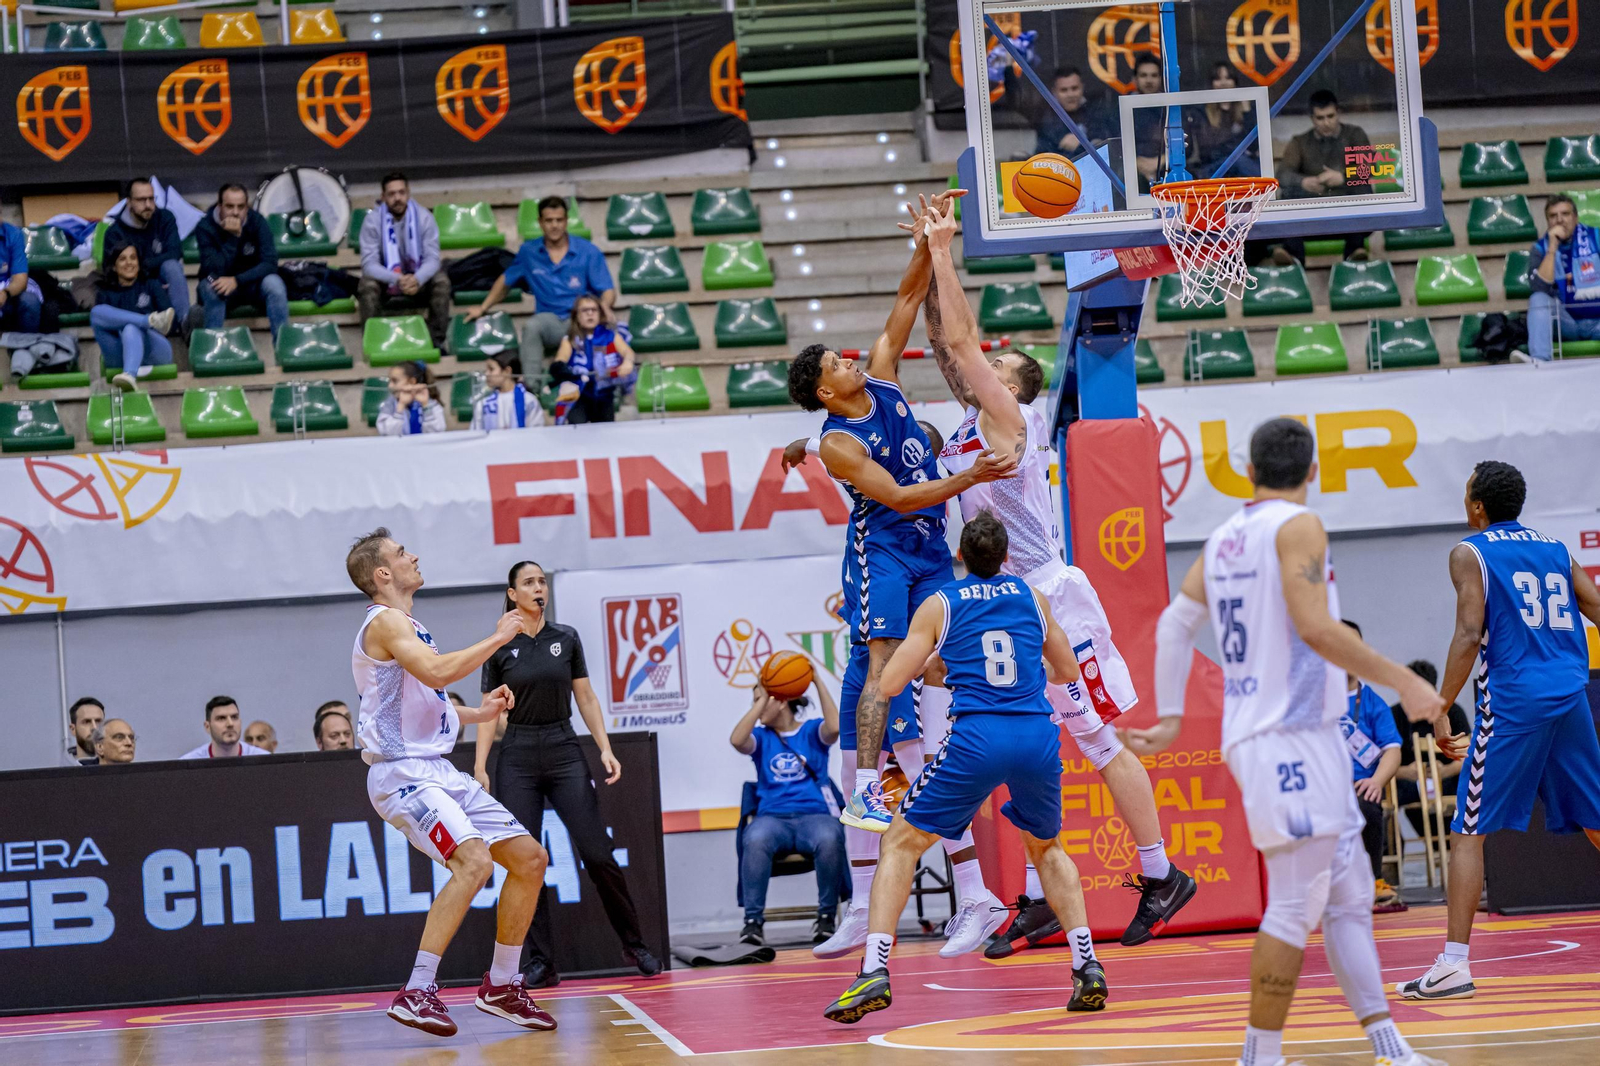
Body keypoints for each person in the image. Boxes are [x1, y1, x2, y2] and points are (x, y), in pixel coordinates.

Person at [918, 195, 1198, 952]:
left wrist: (947, 252)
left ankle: (1160, 871)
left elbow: (965, 344)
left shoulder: (1015, 419)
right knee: (1029, 743)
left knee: (1099, 743)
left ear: (1015, 385)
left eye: (997, 365)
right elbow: (949, 344)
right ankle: (1043, 893)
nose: (981, 364)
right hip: (1003, 603)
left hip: (1049, 599)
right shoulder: (974, 422)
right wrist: (924, 260)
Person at [1132, 417, 1445, 1066]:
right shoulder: (1298, 525)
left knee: (1352, 896)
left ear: (1249, 471)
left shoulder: (1221, 538)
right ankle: (1259, 1056)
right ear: (1313, 471)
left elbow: (1174, 626)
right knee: (1296, 903)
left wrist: (1167, 716)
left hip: (1305, 735)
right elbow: (1317, 629)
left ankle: (1391, 1047)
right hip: (1283, 738)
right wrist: (1403, 684)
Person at [784, 192, 1015, 841]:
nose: (851, 360)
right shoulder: (837, 444)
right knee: (885, 660)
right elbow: (905, 499)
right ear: (827, 392)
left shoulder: (882, 379)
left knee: (945, 654)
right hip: (882, 552)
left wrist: (927, 243)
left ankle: (940, 763)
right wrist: (970, 475)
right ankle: (864, 789)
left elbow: (908, 302)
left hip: (928, 552)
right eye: (837, 365)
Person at [823, 511, 1103, 1023]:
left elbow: (888, 685)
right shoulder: (1031, 599)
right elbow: (1064, 669)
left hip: (977, 736)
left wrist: (942, 660)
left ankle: (873, 973)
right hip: (1036, 736)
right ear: (1004, 556)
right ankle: (1088, 966)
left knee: (900, 842)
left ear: (960, 557)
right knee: (1047, 847)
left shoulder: (940, 603)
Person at [1397, 461, 1600, 1002]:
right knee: (1597, 817)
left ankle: (1454, 965)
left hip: (1515, 703)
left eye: (1466, 495)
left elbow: (1468, 631)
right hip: (1570, 696)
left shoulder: (1472, 553)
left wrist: (1440, 705)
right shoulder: (1556, 548)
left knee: (1467, 829)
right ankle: (1452, 963)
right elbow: (1597, 606)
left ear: (1478, 505)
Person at [343, 529, 554, 1037]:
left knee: (529, 860)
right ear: (382, 574)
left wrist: (479, 713)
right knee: (475, 862)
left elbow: (426, 700)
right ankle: (417, 990)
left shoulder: (410, 625)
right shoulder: (386, 621)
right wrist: (500, 637)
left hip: (436, 770)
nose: (413, 555)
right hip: (402, 776)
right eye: (400, 553)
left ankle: (502, 984)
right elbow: (437, 673)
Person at [475, 561, 661, 988]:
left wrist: (605, 747)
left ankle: (635, 944)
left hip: (563, 748)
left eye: (542, 581)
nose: (539, 588)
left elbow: (587, 697)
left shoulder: (566, 638)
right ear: (512, 594)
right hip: (518, 753)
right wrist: (481, 766)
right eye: (529, 582)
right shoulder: (499, 645)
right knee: (526, 862)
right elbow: (488, 711)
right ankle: (541, 961)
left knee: (597, 852)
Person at [729, 677, 847, 946]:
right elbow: (736, 740)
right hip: (773, 819)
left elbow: (836, 727)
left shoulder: (811, 731)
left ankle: (827, 916)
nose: (755, 705)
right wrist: (762, 701)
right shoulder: (761, 737)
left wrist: (815, 680)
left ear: (781, 702)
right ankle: (753, 922)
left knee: (830, 838)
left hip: (814, 816)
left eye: (760, 699)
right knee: (755, 838)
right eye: (754, 700)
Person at [464, 196, 616, 379]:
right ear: (540, 223)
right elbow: (505, 281)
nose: (554, 225)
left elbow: (607, 290)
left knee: (597, 325)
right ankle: (532, 389)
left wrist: (603, 308)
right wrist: (482, 307)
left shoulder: (588, 251)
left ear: (566, 221)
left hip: (579, 318)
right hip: (549, 320)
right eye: (549, 220)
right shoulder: (529, 252)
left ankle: (602, 386)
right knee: (532, 326)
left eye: (559, 220)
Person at [1337, 620, 1405, 910]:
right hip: (1319, 786)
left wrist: (1376, 781)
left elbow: (1392, 750)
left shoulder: (1373, 702)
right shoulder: (1310, 699)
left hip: (1359, 786)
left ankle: (1374, 881)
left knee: (1367, 802)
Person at [1273, 90, 1372, 259]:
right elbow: (1282, 174)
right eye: (1320, 118)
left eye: (1330, 116)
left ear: (1338, 113)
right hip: (1312, 216)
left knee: (1362, 188)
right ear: (1312, 118)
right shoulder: (1300, 141)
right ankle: (1291, 258)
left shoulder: (1355, 134)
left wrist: (1343, 177)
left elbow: (1369, 167)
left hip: (1346, 215)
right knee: (1288, 194)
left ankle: (1355, 251)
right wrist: (1304, 182)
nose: (1326, 123)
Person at [358, 171, 452, 349]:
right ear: (383, 197)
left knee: (441, 282)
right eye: (392, 194)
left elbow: (432, 259)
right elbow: (369, 265)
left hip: (418, 279)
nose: (397, 198)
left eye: (401, 192)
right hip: (388, 280)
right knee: (367, 286)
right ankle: (373, 343)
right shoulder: (372, 221)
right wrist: (397, 279)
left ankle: (434, 343)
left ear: (408, 193)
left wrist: (417, 279)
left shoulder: (425, 218)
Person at [193, 183, 288, 340]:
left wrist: (237, 280)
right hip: (216, 279)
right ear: (220, 206)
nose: (236, 212)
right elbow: (211, 269)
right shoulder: (205, 227)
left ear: (247, 207)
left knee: (275, 284)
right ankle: (212, 351)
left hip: (250, 282)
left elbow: (270, 263)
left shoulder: (258, 222)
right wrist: (233, 238)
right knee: (211, 286)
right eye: (230, 206)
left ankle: (283, 348)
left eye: (241, 207)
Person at [1388, 660, 1468, 837]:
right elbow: (1381, 761)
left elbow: (1467, 757)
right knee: (1381, 798)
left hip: (1446, 782)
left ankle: (1453, 844)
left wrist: (1446, 771)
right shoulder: (1394, 715)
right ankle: (1392, 852)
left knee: (1468, 789)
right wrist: (1403, 772)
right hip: (1409, 783)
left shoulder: (1452, 713)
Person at [94, 235, 176, 392]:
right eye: (122, 259)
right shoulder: (105, 293)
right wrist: (144, 321)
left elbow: (171, 323)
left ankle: (129, 374)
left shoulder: (151, 285)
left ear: (139, 262)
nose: (129, 262)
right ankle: (149, 320)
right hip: (119, 352)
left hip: (155, 350)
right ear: (113, 266)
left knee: (131, 328)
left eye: (133, 258)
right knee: (97, 313)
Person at [107, 176, 189, 329]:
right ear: (129, 202)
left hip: (161, 277)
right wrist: (150, 273)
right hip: (135, 285)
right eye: (141, 200)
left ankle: (185, 323)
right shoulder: (115, 232)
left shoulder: (164, 218)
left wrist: (145, 264)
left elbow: (175, 252)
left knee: (172, 267)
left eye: (151, 199)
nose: (148, 205)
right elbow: (117, 270)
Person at [1527, 193, 1600, 362]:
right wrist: (1552, 248)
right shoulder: (1540, 248)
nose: (1560, 220)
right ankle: (1539, 363)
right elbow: (1539, 288)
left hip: (1598, 321)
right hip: (1566, 323)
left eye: (1565, 214)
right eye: (1553, 216)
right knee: (1538, 300)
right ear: (1548, 222)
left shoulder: (1596, 238)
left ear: (1575, 217)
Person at [550, 295, 634, 425]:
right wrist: (560, 367)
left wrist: (627, 362)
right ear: (576, 315)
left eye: (594, 310)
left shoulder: (610, 336)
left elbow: (627, 352)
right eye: (584, 310)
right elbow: (561, 359)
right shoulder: (570, 339)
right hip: (578, 395)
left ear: (600, 314)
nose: (590, 314)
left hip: (604, 395)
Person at [1184, 62, 1257, 178]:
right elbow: (1209, 151)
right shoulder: (1201, 112)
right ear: (1211, 83)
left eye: (1228, 78)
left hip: (1242, 169)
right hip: (1213, 168)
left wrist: (1247, 112)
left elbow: (1254, 146)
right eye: (1218, 79)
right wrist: (1235, 150)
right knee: (1237, 161)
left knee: (1241, 162)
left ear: (1235, 82)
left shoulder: (1245, 109)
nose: (1223, 83)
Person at [1026, 66, 1113, 158]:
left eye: (1074, 88)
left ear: (1082, 88)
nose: (1070, 94)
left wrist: (1084, 144)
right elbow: (1044, 155)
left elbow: (1105, 145)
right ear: (1054, 92)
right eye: (1064, 90)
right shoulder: (1045, 119)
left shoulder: (1096, 113)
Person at [472, 353, 545, 431]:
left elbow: (537, 431)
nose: (487, 374)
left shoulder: (529, 400)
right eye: (486, 370)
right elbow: (475, 432)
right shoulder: (484, 404)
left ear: (507, 371)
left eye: (491, 369)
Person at [181, 696, 271, 759]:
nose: (230, 724)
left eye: (234, 717)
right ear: (207, 727)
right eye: (221, 718)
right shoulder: (188, 765)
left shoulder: (264, 761)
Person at [376, 361, 446, 436]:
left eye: (395, 381)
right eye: (390, 381)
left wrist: (426, 406)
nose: (390, 386)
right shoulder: (390, 404)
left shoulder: (430, 403)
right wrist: (400, 407)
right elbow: (386, 434)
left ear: (411, 382)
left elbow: (437, 433)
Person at [1131, 55, 1167, 190]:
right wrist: (1135, 163)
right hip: (1133, 170)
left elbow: (1186, 145)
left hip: (1166, 167)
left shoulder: (1170, 107)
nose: (1149, 80)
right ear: (1134, 79)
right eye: (1143, 75)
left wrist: (1161, 162)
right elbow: (1117, 144)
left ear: (1161, 79)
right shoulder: (1121, 109)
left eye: (1154, 75)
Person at [0, 218, 42, 333]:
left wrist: (5, 293)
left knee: (30, 301)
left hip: (6, 293)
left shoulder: (13, 234)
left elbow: (20, 279)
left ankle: (26, 346)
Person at [65, 696, 105, 766]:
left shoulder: (120, 770)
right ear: (73, 729)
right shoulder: (58, 774)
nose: (94, 727)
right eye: (87, 722)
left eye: (98, 721)